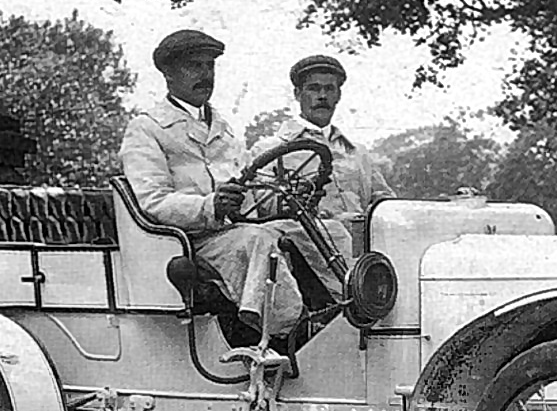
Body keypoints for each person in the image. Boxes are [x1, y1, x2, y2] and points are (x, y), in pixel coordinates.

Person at [119, 30, 349, 341]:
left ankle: (346, 312)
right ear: (168, 74)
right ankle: (286, 335)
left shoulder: (224, 129)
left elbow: (251, 188)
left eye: (209, 66)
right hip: (190, 239)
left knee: (330, 230)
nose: (205, 75)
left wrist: (282, 201)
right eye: (194, 66)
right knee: (256, 240)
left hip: (234, 230)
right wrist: (209, 205)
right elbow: (153, 201)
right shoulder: (146, 128)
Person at [252, 54, 394, 224]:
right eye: (313, 88)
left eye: (329, 89)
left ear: (338, 95)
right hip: (306, 243)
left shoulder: (357, 153)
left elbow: (384, 202)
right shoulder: (271, 150)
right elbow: (265, 206)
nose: (322, 96)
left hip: (362, 242)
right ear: (298, 94)